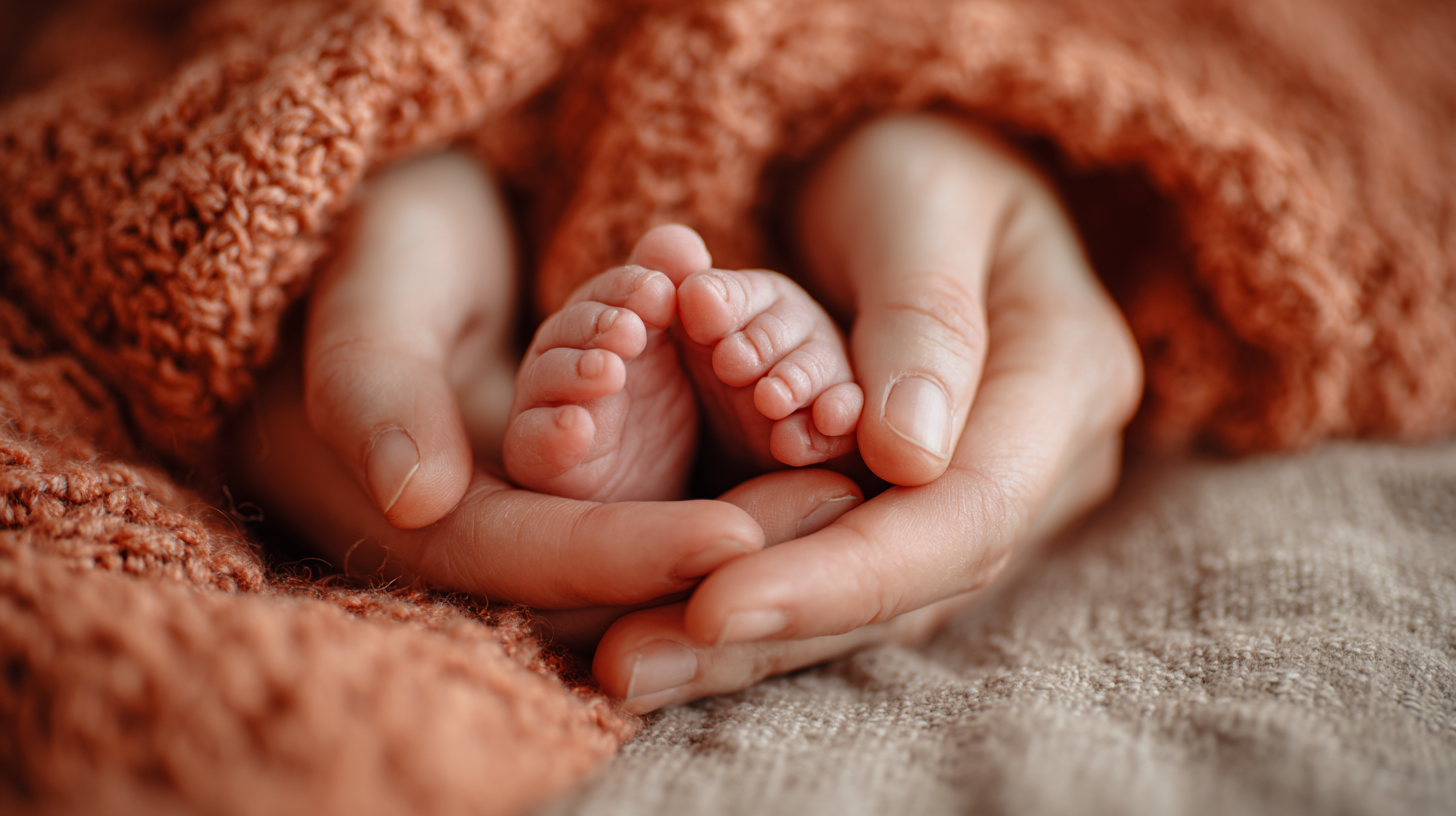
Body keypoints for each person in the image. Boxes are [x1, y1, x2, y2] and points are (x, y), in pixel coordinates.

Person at [236, 112, 1142, 715]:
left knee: (763, 337)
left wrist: (946, 129)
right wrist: (377, 155)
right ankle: (718, 427)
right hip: (495, 169)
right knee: (751, 348)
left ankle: (741, 403)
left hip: (816, 165)